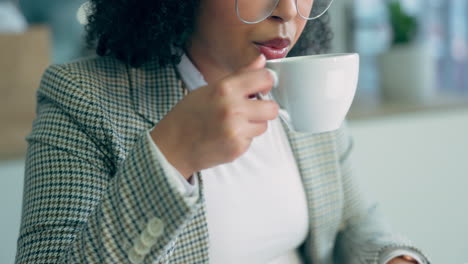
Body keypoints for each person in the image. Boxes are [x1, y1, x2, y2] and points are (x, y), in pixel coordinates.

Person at [15, 0, 430, 263]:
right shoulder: (83, 99)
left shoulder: (307, 82)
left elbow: (351, 219)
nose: (288, 9)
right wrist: (171, 155)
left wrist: (393, 258)